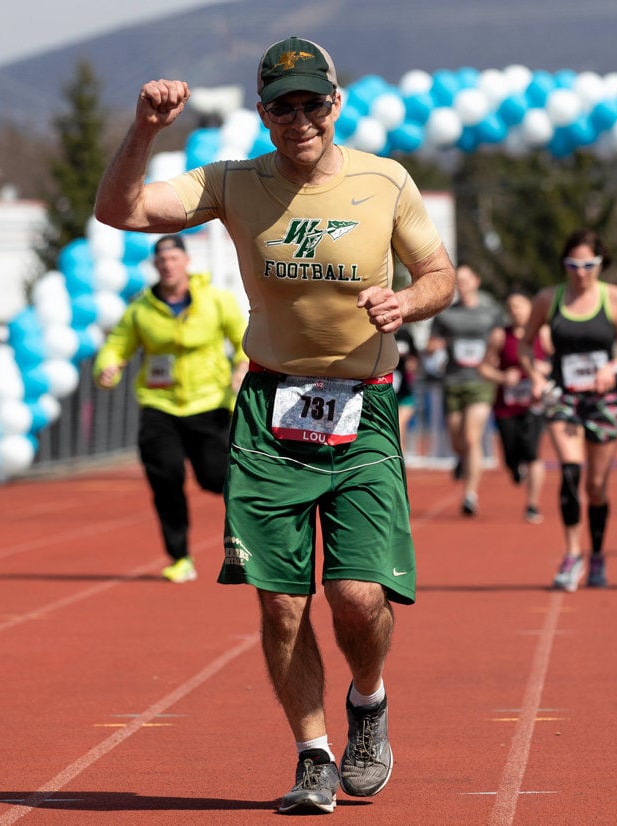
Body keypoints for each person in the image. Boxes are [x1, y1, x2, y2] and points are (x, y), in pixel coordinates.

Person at [94, 36, 456, 815]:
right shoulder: (233, 182)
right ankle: (313, 756)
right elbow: (118, 210)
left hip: (364, 408)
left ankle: (369, 702)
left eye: (312, 102)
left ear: (336, 104)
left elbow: (440, 274)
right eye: (283, 105)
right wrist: (145, 129)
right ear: (263, 114)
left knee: (357, 597)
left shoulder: (384, 181)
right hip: (269, 409)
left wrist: (408, 303)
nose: (300, 118)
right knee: (280, 600)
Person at [93, 234, 248, 583]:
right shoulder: (141, 310)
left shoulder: (216, 301)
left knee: (215, 478)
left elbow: (245, 340)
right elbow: (116, 345)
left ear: (186, 262)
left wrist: (242, 365)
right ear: (155, 266)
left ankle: (250, 540)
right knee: (166, 480)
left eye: (174, 259)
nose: (168, 265)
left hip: (209, 404)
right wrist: (108, 367)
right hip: (159, 405)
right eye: (161, 261)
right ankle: (179, 557)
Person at [522, 229, 617, 591]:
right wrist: (536, 376)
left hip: (604, 399)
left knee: (597, 486)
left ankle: (598, 554)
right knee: (570, 472)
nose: (581, 272)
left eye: (589, 265)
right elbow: (526, 345)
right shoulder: (548, 298)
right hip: (564, 397)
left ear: (601, 264)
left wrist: (612, 368)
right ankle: (573, 555)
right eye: (573, 265)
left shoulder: (616, 298)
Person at [425, 264, 504, 516]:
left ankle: (470, 495)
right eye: (458, 281)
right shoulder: (446, 315)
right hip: (453, 382)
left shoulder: (490, 311)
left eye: (467, 280)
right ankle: (462, 460)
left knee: (472, 438)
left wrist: (493, 353)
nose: (463, 284)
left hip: (480, 382)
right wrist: (434, 347)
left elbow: (500, 336)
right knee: (457, 440)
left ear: (477, 281)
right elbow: (431, 343)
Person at [478, 288, 551, 524]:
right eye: (511, 308)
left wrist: (545, 369)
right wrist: (501, 377)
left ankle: (533, 505)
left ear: (530, 308)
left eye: (520, 306)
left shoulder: (543, 333)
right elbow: (484, 367)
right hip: (506, 406)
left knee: (533, 453)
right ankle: (514, 468)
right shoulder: (500, 335)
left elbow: (558, 361)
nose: (516, 312)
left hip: (534, 403)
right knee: (510, 456)